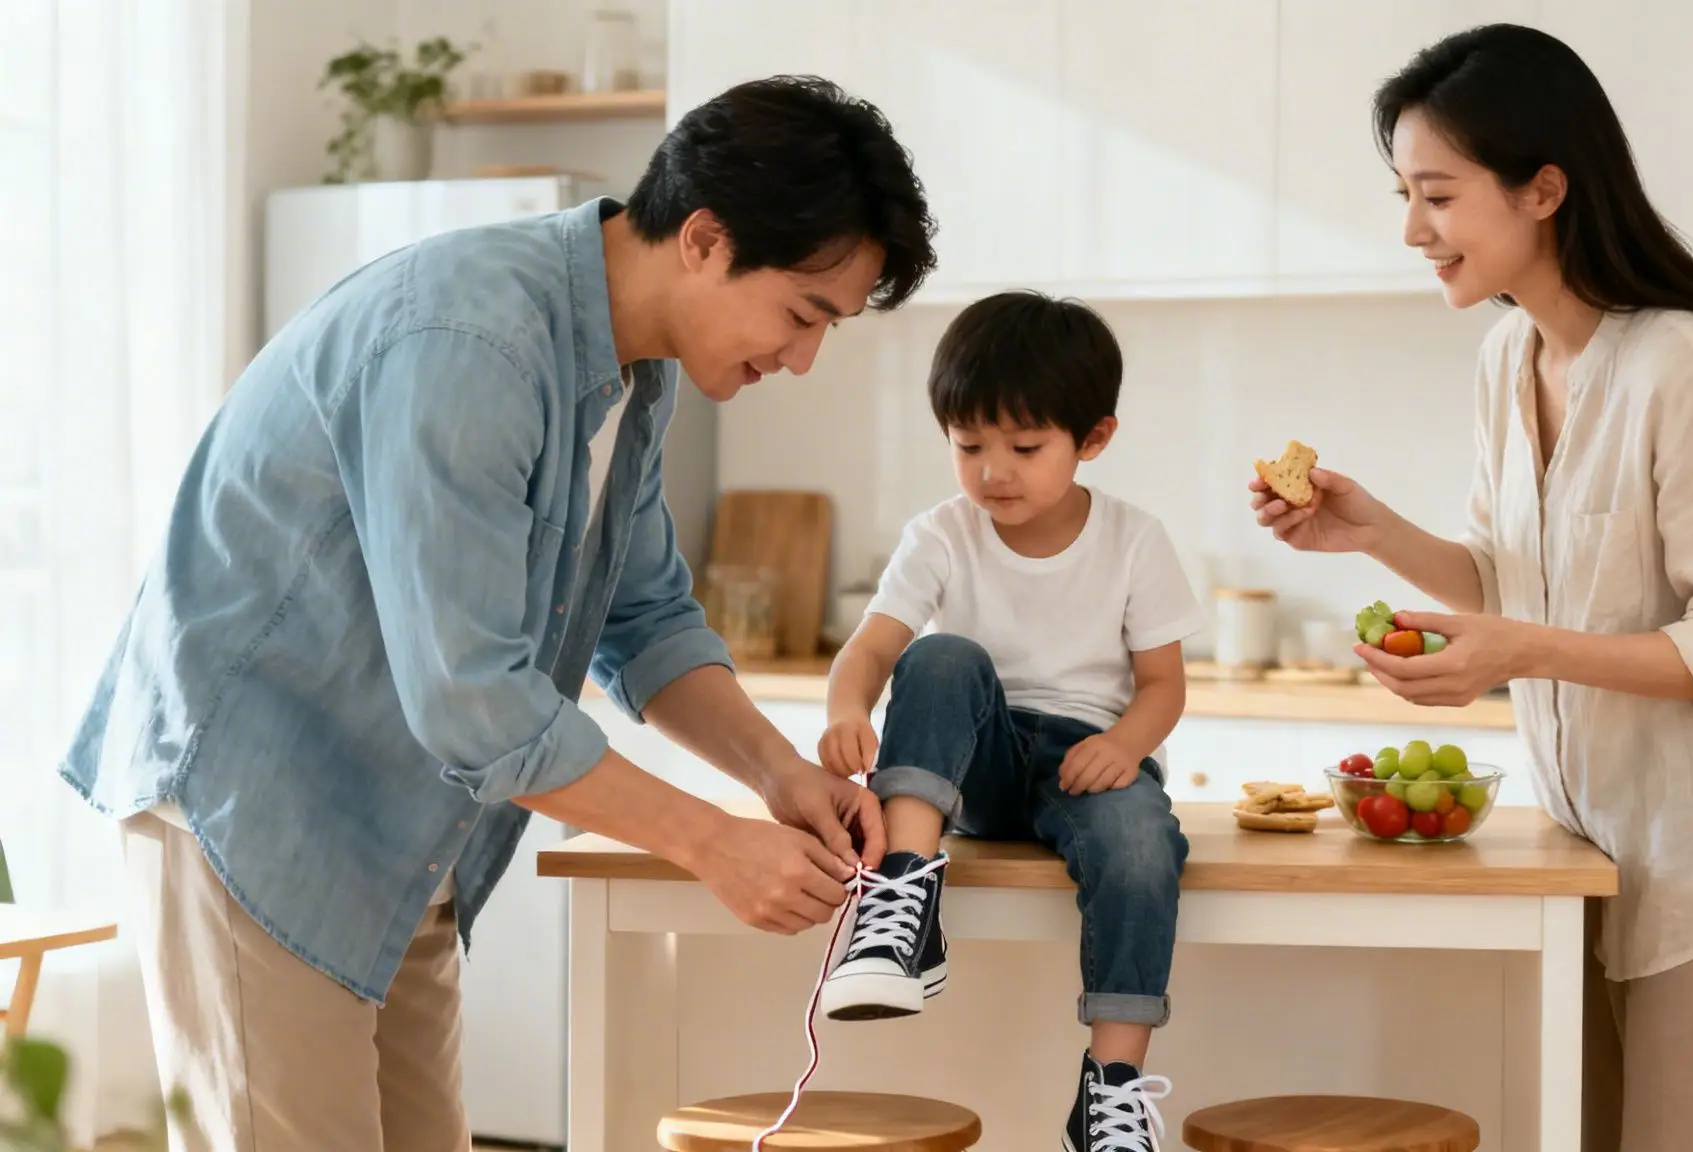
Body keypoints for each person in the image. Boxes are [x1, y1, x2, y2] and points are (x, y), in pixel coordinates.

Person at [59, 75, 937, 1151]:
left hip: (401, 831)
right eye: (803, 315)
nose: (802, 359)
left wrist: (776, 774)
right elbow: (470, 699)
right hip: (260, 811)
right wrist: (712, 843)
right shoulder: (471, 340)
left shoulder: (638, 370)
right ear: (705, 240)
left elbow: (646, 619)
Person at [1250, 24, 1693, 1152]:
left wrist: (1522, 653)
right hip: (1590, 863)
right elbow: (1507, 579)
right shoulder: (1507, 360)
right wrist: (1371, 531)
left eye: (1437, 195)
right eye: (1404, 195)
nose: (1412, 229)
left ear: (1543, 189)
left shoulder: (1685, 367)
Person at [816, 290, 1203, 1152]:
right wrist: (846, 706)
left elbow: (1163, 686)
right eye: (969, 446)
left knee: (1142, 850)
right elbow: (871, 649)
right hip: (978, 755)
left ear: (1092, 439)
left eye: (1024, 448)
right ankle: (904, 905)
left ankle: (1112, 1091)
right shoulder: (941, 534)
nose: (993, 471)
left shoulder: (1135, 539)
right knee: (941, 656)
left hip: (1089, 761)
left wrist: (1125, 745)